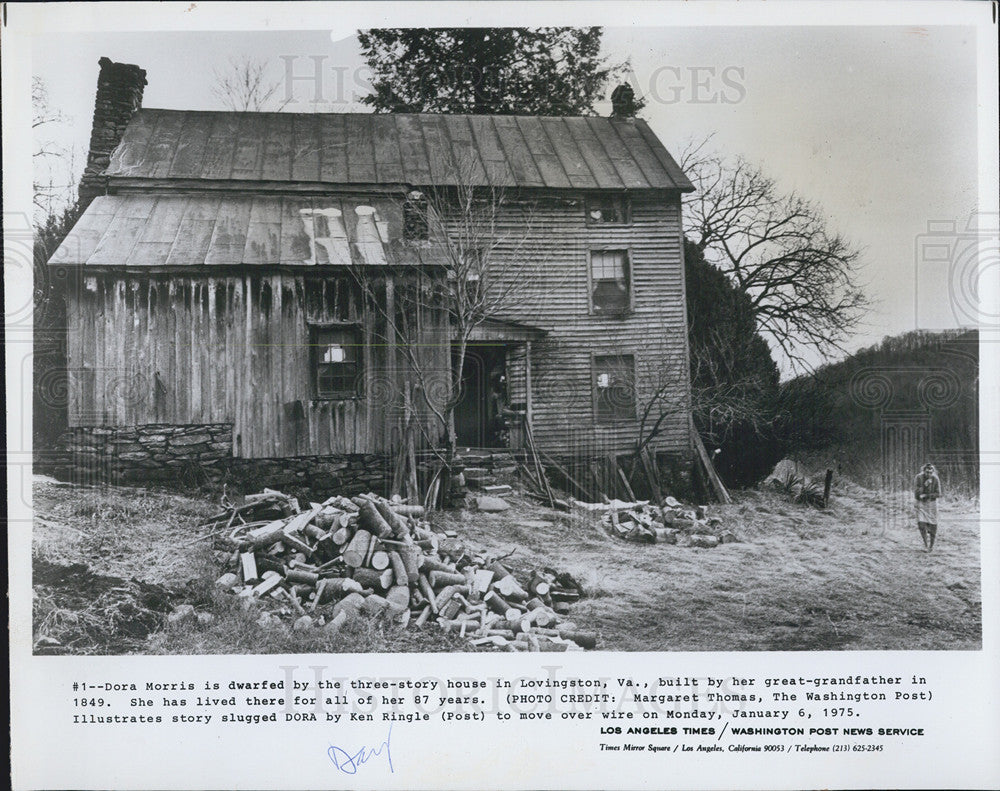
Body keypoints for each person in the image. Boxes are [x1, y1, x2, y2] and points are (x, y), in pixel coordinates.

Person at [914, 463, 942, 551]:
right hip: (921, 503)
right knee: (921, 524)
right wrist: (924, 485)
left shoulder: (935, 478)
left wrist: (927, 495)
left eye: (930, 472)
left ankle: (931, 546)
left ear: (933, 472)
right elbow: (916, 493)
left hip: (932, 504)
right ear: (923, 471)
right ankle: (925, 544)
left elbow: (938, 494)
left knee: (933, 524)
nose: (928, 474)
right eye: (927, 472)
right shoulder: (918, 478)